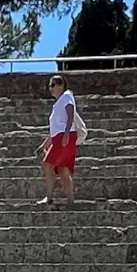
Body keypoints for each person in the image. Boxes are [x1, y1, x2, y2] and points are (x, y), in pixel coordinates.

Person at [40, 75, 79, 205]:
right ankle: (70, 199)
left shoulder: (67, 97)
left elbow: (70, 114)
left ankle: (49, 195)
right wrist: (48, 141)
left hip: (64, 136)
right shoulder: (59, 102)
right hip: (60, 137)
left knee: (48, 163)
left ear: (61, 85)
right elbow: (57, 126)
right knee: (62, 169)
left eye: (52, 85)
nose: (50, 88)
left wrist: (67, 133)